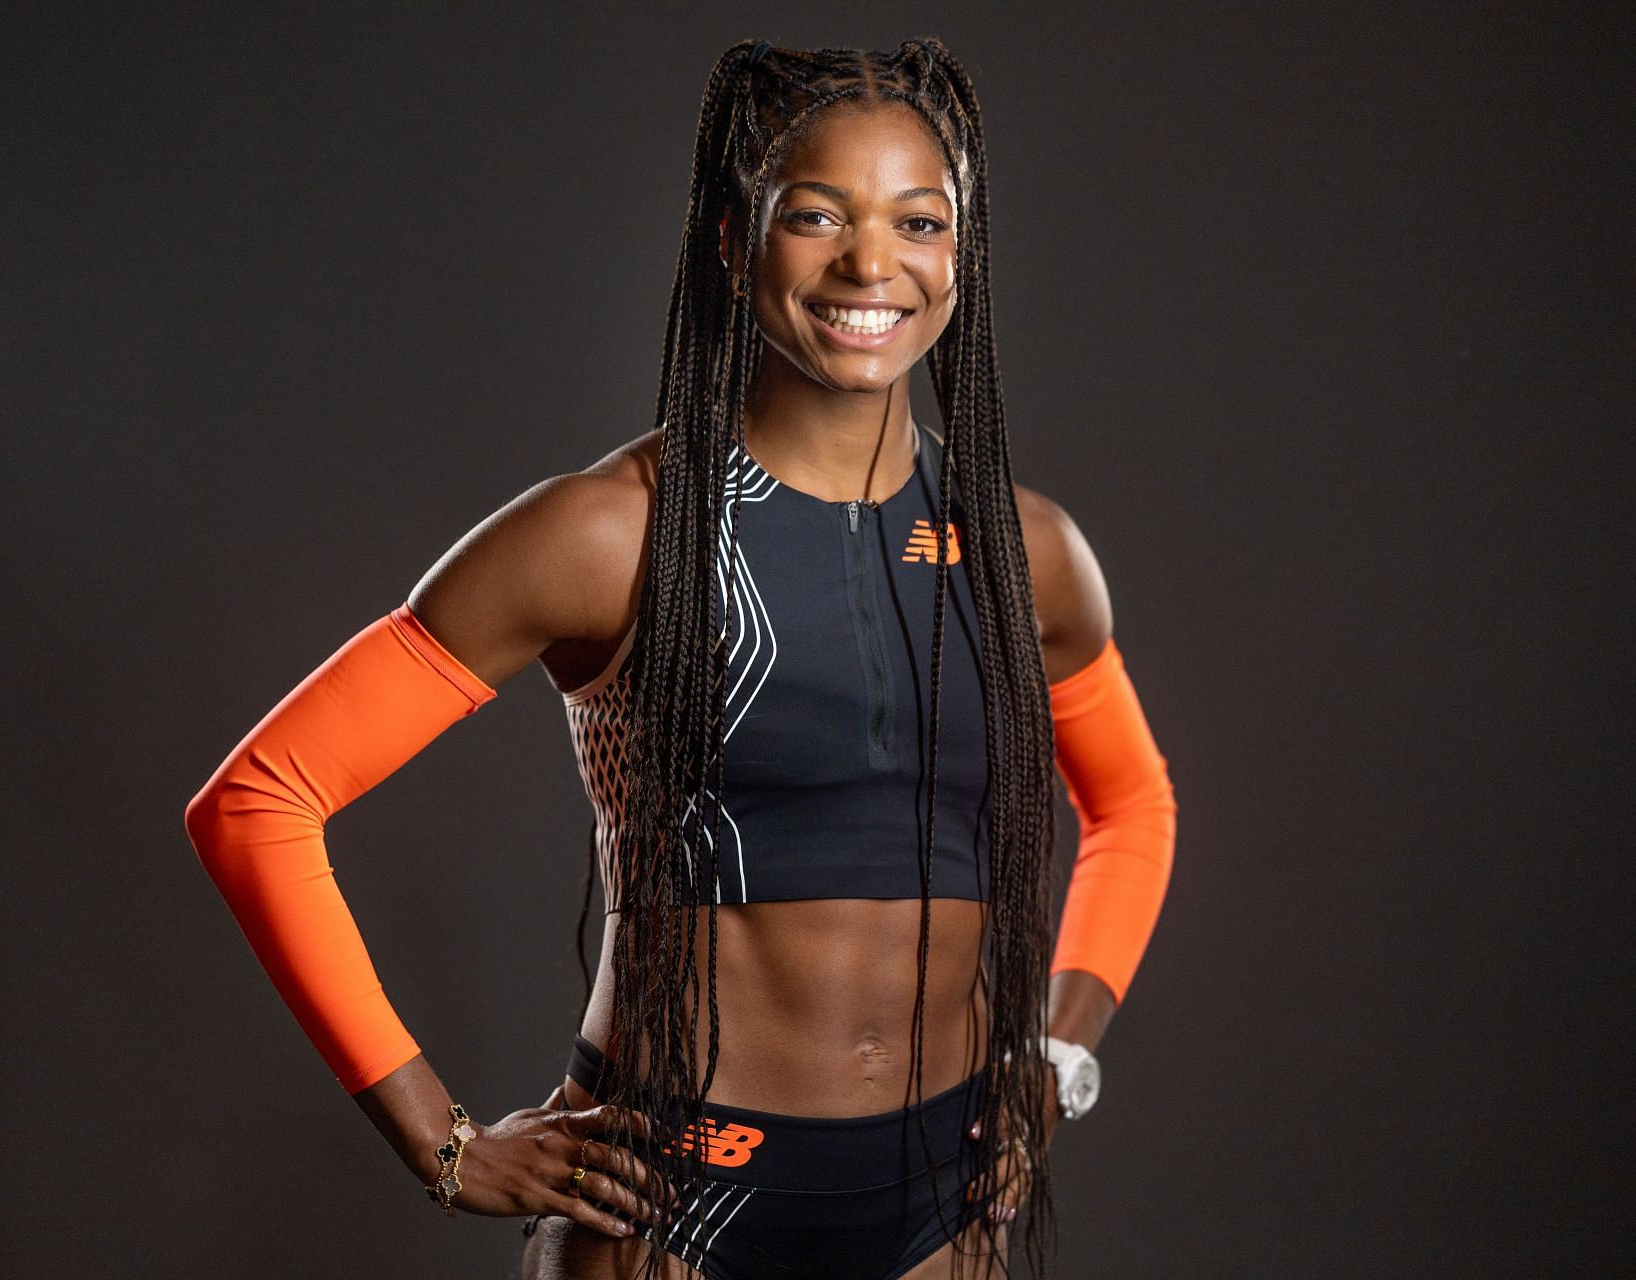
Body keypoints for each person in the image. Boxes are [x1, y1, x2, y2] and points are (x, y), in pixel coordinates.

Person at [183, 37, 1177, 1280]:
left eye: (919, 220)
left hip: (942, 1196)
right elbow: (259, 799)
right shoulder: (609, 533)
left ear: (959, 253)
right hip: (675, 1203)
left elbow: (1133, 803)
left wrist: (1056, 1052)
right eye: (816, 215)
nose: (874, 262)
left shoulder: (1030, 550)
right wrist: (442, 1142)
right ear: (730, 237)